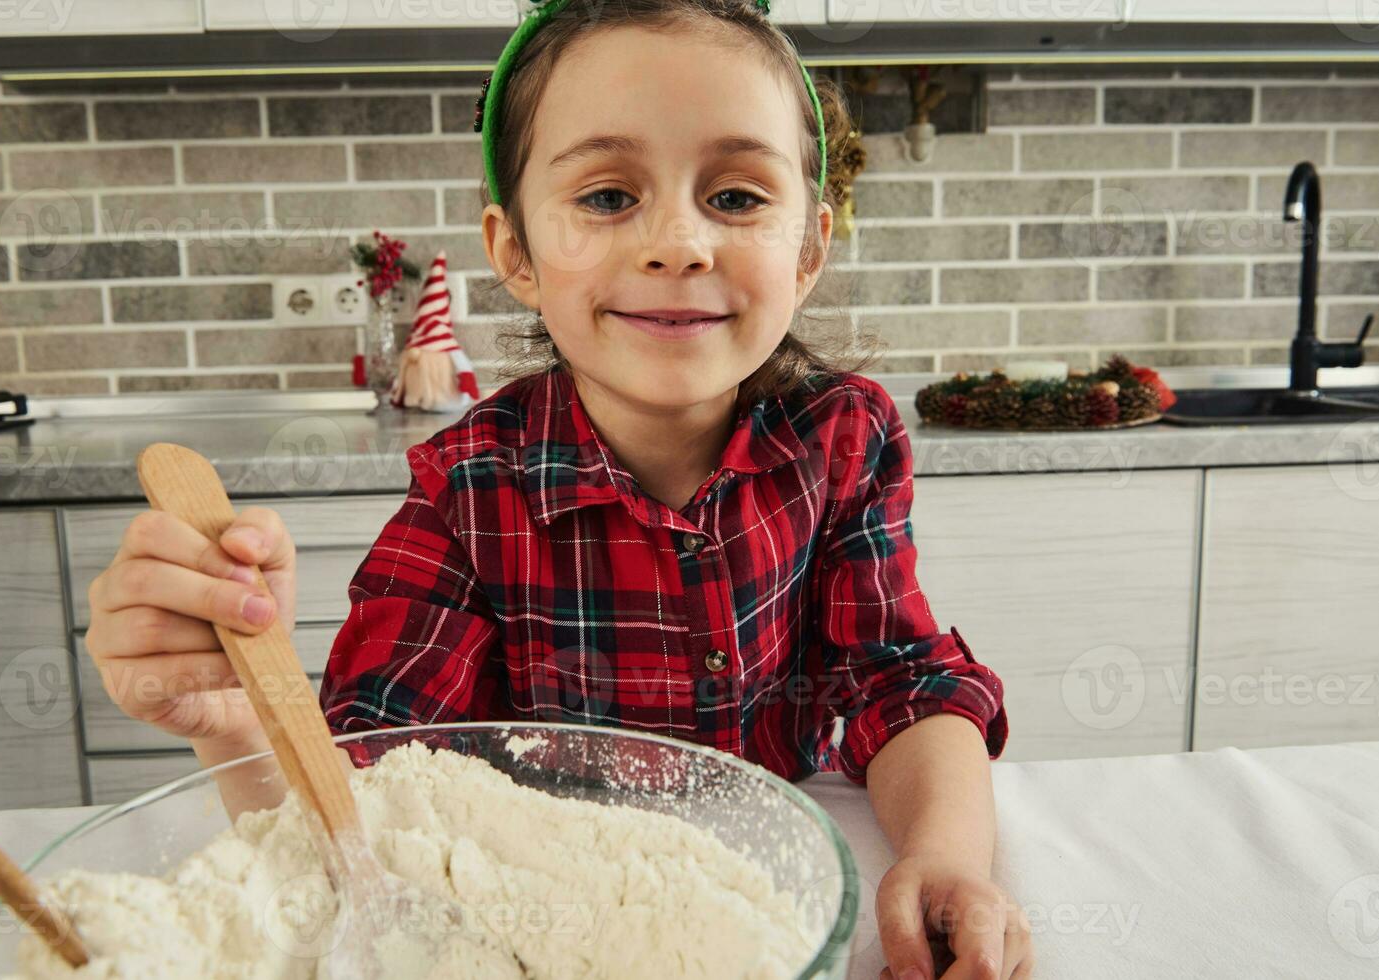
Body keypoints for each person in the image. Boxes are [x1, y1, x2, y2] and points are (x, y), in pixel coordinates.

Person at [85, 0, 1033, 975]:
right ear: (515, 253)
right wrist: (241, 713)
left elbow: (902, 681)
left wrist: (944, 854)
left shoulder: (845, 437)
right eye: (609, 196)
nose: (678, 243)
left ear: (809, 247)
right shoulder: (467, 493)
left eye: (738, 197)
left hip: (774, 896)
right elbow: (369, 799)